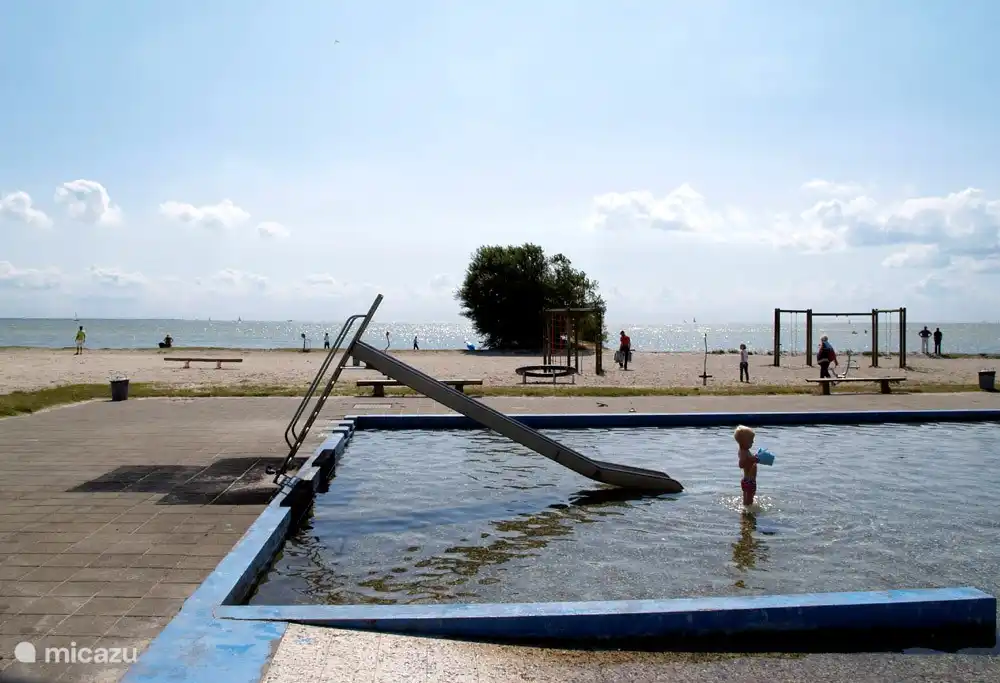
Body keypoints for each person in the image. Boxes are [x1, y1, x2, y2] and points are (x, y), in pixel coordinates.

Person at [734, 425, 759, 508]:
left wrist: (754, 458)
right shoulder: (743, 452)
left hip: (749, 480)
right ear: (744, 442)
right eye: (751, 440)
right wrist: (752, 460)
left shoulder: (746, 451)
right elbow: (741, 464)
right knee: (748, 502)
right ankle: (746, 516)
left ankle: (746, 514)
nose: (753, 442)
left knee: (749, 498)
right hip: (748, 480)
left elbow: (749, 461)